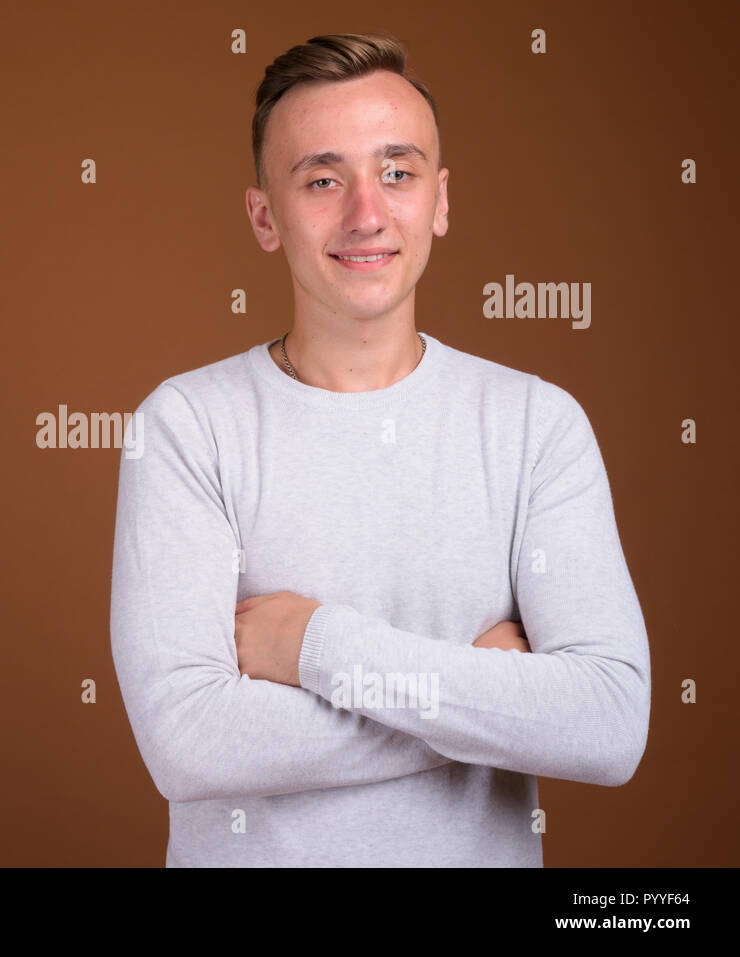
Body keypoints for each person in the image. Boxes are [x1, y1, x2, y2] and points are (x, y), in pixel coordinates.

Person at [108, 33, 650, 867]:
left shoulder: (538, 424)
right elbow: (189, 741)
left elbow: (608, 723)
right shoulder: (185, 426)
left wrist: (316, 645)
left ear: (439, 199)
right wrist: (481, 700)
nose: (366, 212)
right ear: (264, 216)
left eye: (397, 172)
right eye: (323, 180)